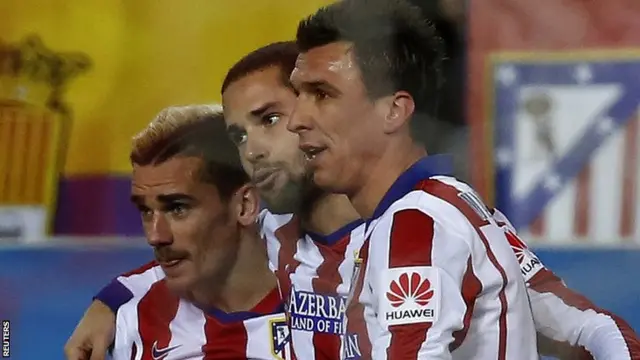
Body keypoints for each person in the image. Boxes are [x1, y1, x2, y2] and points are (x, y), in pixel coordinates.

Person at [66, 41, 640, 360]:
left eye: (270, 120)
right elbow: (186, 254)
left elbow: (589, 329)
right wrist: (109, 301)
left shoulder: (435, 225)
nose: (253, 150)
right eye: (240, 135)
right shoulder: (275, 234)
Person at [287, 0, 640, 359]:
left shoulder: (415, 224)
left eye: (322, 94)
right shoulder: (457, 207)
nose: (296, 119)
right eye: (298, 93)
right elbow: (594, 329)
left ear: (394, 110)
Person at [96, 105, 291, 360]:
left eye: (178, 208)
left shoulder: (327, 303)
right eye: (146, 211)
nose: (155, 236)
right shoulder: (133, 322)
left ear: (244, 206)